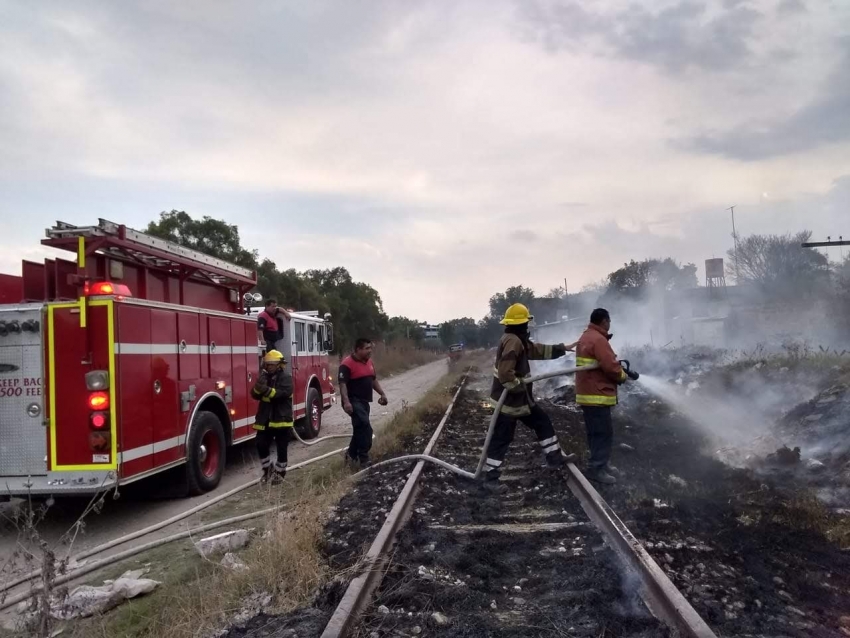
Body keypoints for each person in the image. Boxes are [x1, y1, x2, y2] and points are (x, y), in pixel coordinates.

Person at [483, 303, 579, 492]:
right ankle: (490, 479)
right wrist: (519, 386)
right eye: (526, 322)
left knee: (542, 421)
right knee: (502, 439)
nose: (528, 326)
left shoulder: (517, 339)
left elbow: (537, 350)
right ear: (522, 324)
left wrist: (562, 348)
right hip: (509, 403)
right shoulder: (513, 342)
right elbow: (505, 374)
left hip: (520, 400)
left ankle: (554, 457)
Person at [574, 308, 638, 485]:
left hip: (588, 393)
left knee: (596, 432)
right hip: (597, 394)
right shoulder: (598, 339)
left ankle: (601, 463)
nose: (610, 325)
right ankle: (597, 468)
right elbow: (610, 367)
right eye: (609, 322)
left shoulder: (586, 336)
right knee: (603, 432)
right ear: (604, 321)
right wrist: (623, 376)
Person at [338, 338, 388, 467]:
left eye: (370, 348)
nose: (370, 351)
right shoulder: (346, 364)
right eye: (367, 348)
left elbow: (373, 380)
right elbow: (342, 385)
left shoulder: (369, 362)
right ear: (358, 349)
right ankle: (364, 458)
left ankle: (350, 457)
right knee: (366, 427)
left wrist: (382, 393)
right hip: (353, 401)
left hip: (364, 402)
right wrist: (346, 402)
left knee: (359, 429)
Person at [251, 350, 294, 484]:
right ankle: (267, 469)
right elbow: (254, 395)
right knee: (260, 443)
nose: (268, 367)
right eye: (267, 364)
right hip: (266, 419)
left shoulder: (285, 378)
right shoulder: (265, 378)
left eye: (271, 364)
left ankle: (280, 472)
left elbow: (281, 394)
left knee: (282, 447)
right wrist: (258, 388)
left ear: (279, 365)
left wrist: (265, 390)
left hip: (281, 419)